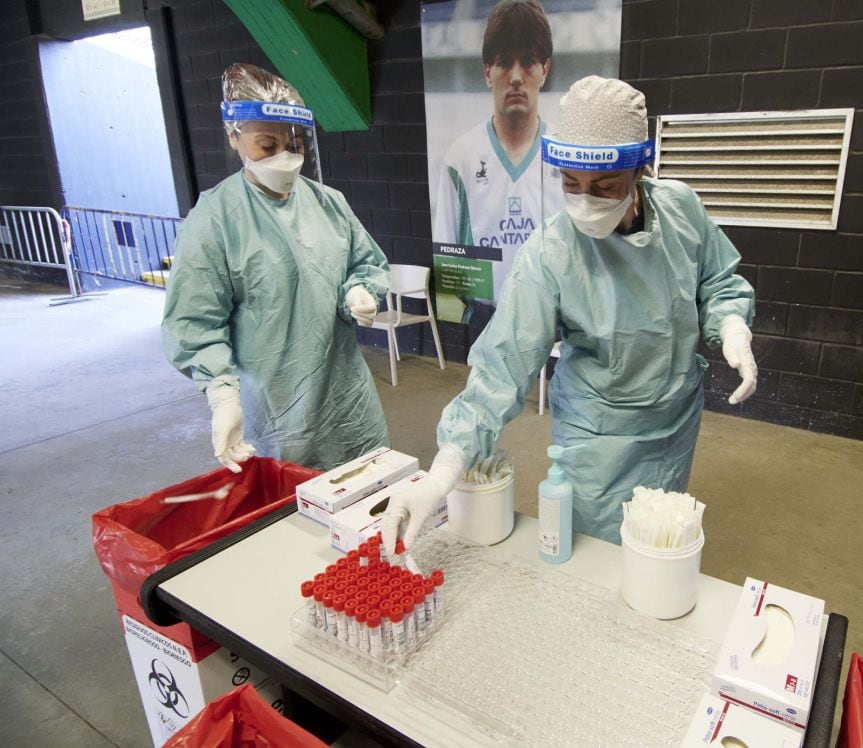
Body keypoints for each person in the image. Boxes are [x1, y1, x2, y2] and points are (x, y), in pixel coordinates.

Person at [382, 76, 758, 551]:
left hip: (675, 416)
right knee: (596, 555)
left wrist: (730, 323)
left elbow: (717, 278)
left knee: (655, 543)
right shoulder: (552, 252)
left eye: (604, 187)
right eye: (570, 183)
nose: (585, 201)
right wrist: (444, 471)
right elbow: (503, 364)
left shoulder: (680, 208)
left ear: (640, 171)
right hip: (598, 432)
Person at [162, 63, 391, 473]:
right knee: (290, 518)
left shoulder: (329, 203)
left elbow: (365, 262)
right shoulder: (215, 220)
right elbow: (194, 321)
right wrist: (221, 395)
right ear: (233, 137)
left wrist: (359, 291)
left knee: (364, 501)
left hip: (347, 406)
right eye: (268, 146)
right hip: (275, 414)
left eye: (294, 144)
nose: (285, 157)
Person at [431, 0, 564, 322]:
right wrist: (454, 314)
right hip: (486, 314)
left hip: (552, 314)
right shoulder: (460, 156)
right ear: (487, 72)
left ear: (544, 70)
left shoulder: (565, 152)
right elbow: (447, 244)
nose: (516, 77)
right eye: (505, 62)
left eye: (529, 62)